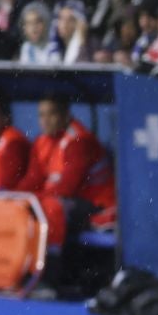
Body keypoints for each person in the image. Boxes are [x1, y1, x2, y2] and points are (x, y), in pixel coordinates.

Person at [19, 95, 116, 284]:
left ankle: (50, 276)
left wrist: (34, 199)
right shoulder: (42, 141)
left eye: (52, 114)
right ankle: (21, 272)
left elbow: (68, 187)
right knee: (22, 206)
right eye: (41, 115)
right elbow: (32, 179)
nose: (45, 120)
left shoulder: (80, 141)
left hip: (95, 204)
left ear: (65, 115)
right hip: (66, 201)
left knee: (51, 208)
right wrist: (14, 197)